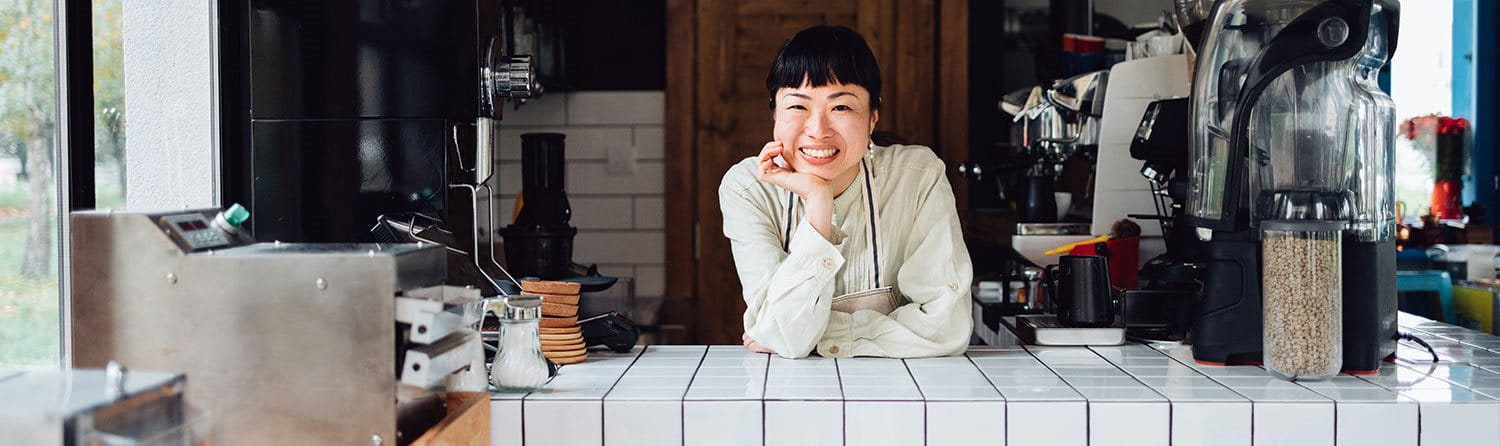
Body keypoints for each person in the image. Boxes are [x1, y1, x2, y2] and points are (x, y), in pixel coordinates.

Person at [718, 25, 973, 359]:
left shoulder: (917, 178)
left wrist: (816, 336)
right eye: (798, 107)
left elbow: (948, 326)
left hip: (897, 386)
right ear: (775, 113)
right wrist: (818, 202)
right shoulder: (749, 188)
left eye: (841, 107)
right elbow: (778, 334)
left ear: (872, 118)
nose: (818, 130)